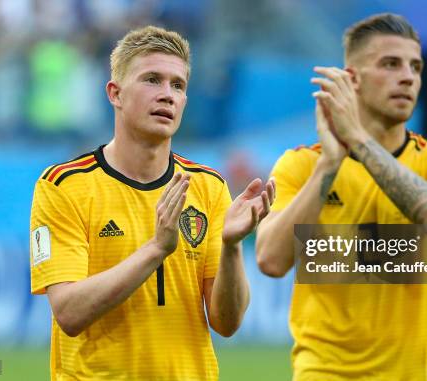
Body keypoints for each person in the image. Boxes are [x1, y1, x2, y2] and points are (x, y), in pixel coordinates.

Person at [30, 26, 274, 381]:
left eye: (178, 85)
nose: (167, 95)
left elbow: (227, 322)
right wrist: (157, 249)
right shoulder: (64, 186)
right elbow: (68, 313)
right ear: (115, 93)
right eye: (152, 80)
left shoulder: (208, 186)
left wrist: (232, 246)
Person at [256, 13, 427, 380]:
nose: (408, 77)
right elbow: (270, 261)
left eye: (415, 67)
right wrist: (330, 165)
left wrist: (356, 138)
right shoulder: (302, 164)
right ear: (351, 79)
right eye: (390, 64)